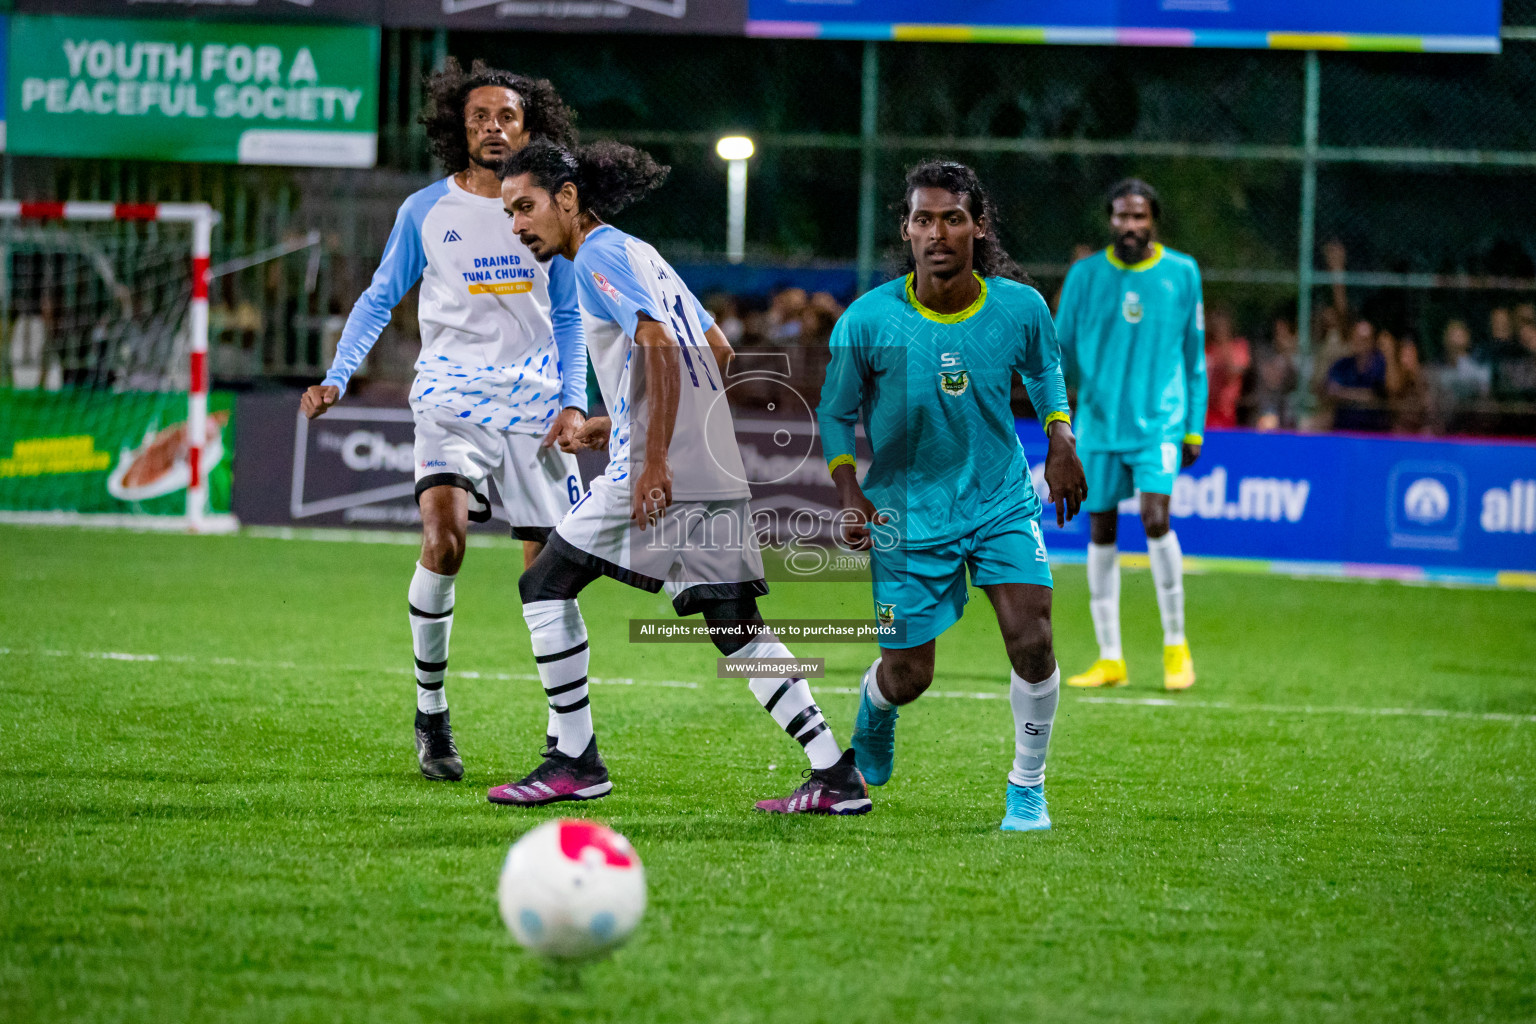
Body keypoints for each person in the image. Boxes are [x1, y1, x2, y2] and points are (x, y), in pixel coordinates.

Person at [490, 139, 871, 815]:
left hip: (667, 466)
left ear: (568, 200)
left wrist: (654, 457)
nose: (517, 224)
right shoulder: (644, 254)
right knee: (734, 623)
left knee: (545, 581)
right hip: (710, 464)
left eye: (525, 207)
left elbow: (660, 345)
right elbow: (716, 350)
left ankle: (574, 760)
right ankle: (834, 773)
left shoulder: (598, 256)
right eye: (509, 212)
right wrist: (624, 426)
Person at [300, 60, 589, 783]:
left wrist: (574, 400)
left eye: (507, 118)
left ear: (530, 128)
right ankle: (431, 714)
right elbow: (377, 298)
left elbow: (569, 315)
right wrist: (339, 374)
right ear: (457, 130)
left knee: (550, 575)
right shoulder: (424, 210)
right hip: (450, 396)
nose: (494, 128)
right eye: (479, 118)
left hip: (534, 401)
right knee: (446, 539)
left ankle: (567, 739)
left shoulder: (552, 211)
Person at [819, 159, 1088, 832]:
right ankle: (876, 709)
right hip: (907, 514)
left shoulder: (1019, 307)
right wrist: (849, 490)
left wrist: (1061, 439)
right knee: (910, 675)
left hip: (998, 499)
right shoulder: (868, 320)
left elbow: (1047, 370)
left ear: (978, 226)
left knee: (1032, 636)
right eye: (923, 219)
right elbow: (834, 413)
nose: (937, 232)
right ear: (906, 231)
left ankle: (1027, 788)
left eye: (952, 218)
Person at [1056, 179, 1207, 692]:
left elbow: (1194, 360)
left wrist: (1195, 426)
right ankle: (1111, 657)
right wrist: (1063, 406)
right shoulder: (1084, 276)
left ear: (1153, 220)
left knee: (1155, 517)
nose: (1130, 226)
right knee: (1100, 532)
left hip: (1160, 421)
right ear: (1110, 221)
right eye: (1121, 217)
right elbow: (1061, 353)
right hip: (1098, 426)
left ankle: (1175, 645)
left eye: (1139, 217)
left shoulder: (1182, 273)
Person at [1326, 317, 1390, 432]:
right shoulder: (1342, 365)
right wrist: (1362, 395)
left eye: (1365, 339)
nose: (1360, 343)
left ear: (1372, 341)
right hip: (1343, 428)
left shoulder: (1380, 364)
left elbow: (1376, 395)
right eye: (1357, 338)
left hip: (1374, 431)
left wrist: (1344, 393)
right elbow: (1331, 391)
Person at [1433, 319, 1491, 434]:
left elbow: (1485, 391)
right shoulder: (1438, 369)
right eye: (1453, 333)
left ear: (1467, 337)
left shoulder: (1479, 366)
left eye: (1460, 333)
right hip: (1448, 424)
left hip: (1476, 422)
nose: (1456, 337)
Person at [1203, 304, 1250, 429]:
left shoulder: (1239, 348)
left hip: (1227, 414)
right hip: (1205, 412)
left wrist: (1224, 342)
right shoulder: (1206, 350)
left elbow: (1231, 373)